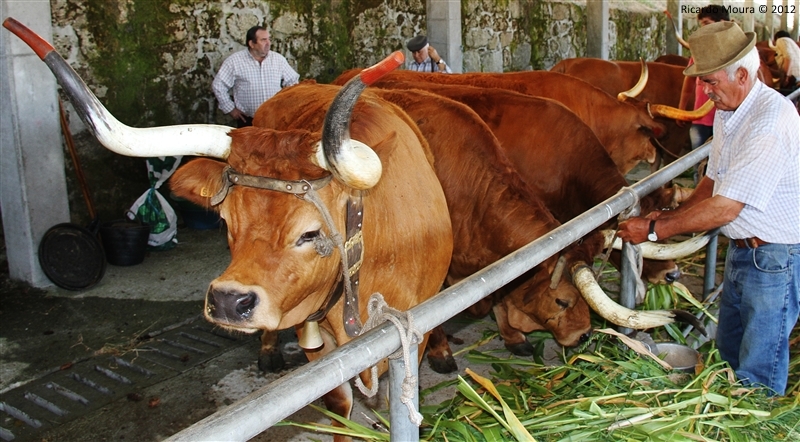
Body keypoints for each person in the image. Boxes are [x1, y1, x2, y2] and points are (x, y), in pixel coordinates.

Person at [617, 21, 800, 396]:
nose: (704, 90)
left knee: (759, 368)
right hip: (742, 250)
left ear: (744, 75)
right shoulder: (729, 111)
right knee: (730, 350)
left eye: (711, 81)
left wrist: (654, 232)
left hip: (774, 258)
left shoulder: (769, 121)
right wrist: (663, 216)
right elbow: (712, 183)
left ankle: (758, 429)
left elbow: (725, 208)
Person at [676, 5, 729, 184]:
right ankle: (700, 197)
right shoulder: (698, 52)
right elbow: (689, 80)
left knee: (724, 164)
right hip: (700, 118)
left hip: (726, 118)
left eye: (706, 23)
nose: (702, 29)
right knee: (698, 164)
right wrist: (682, 108)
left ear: (722, 23)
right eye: (701, 24)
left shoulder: (733, 52)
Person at [212, 26, 300, 127]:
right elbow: (218, 85)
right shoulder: (234, 62)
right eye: (263, 40)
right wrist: (230, 109)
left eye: (269, 39)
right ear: (252, 44)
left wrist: (286, 105)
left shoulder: (278, 60)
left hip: (275, 119)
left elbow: (293, 81)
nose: (268, 43)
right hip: (248, 121)